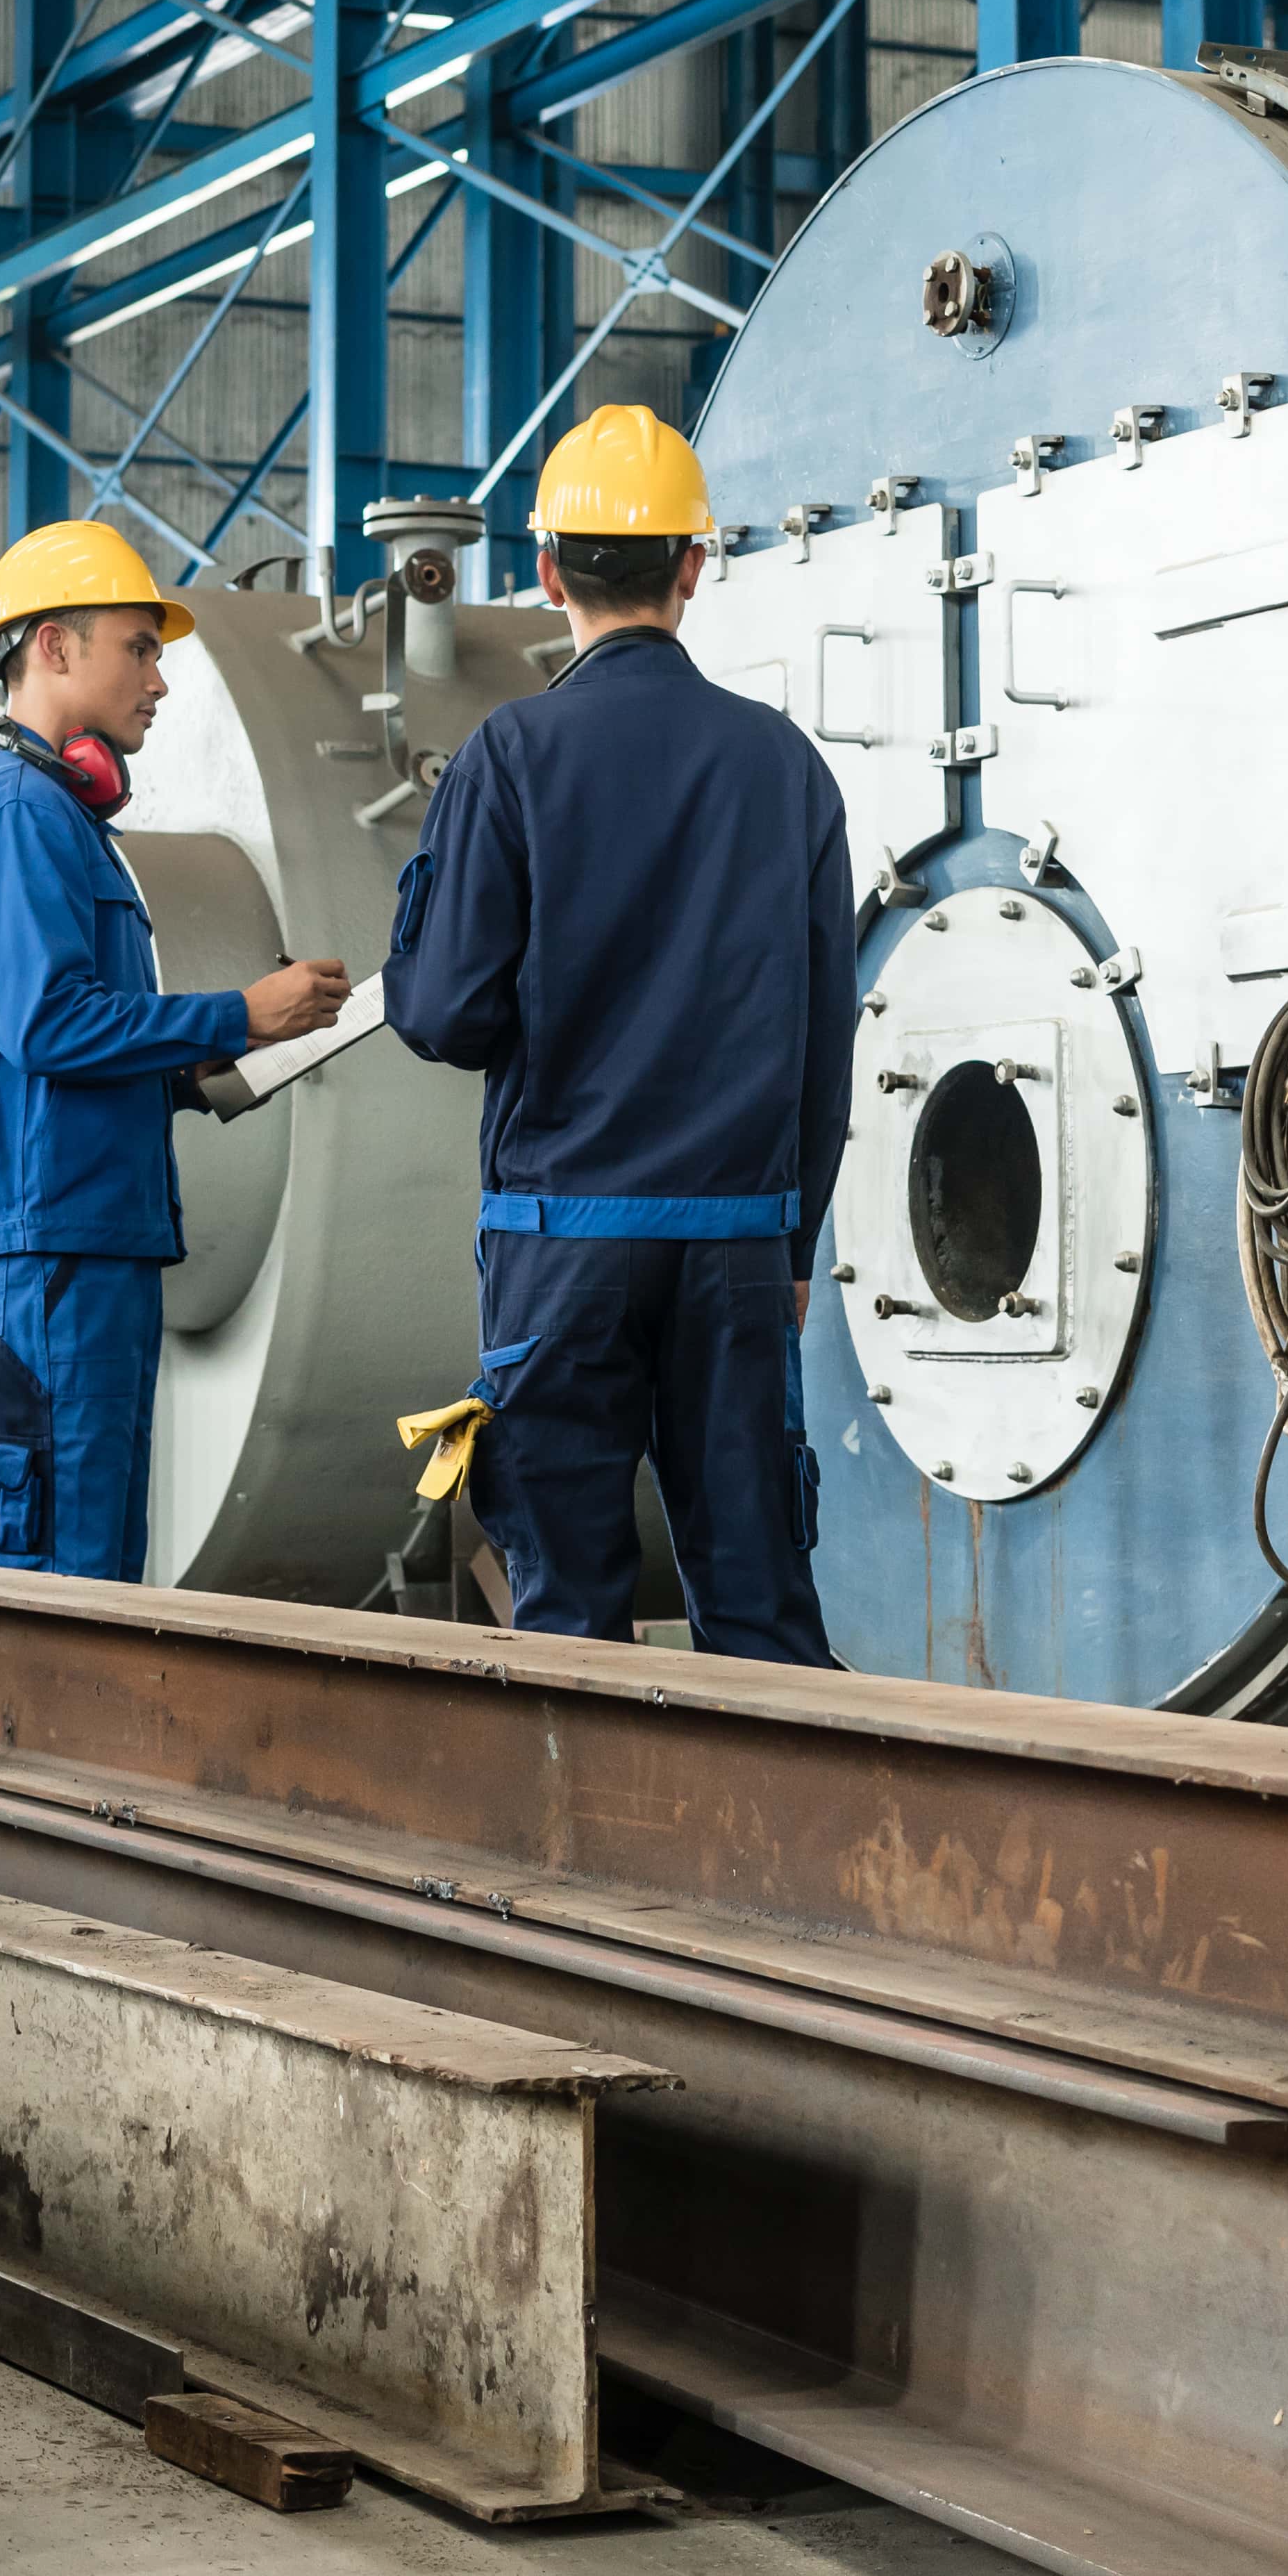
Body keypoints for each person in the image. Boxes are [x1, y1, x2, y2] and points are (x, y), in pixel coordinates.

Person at [381, 406, 853, 1665]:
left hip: (562, 1246)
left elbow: (439, 1011)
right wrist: (791, 1235)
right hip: (739, 1244)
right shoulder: (785, 768)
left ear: (547, 572)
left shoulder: (511, 754)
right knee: (756, 1603)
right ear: (692, 566)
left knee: (570, 1613)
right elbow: (826, 1042)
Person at [0, 521, 349, 1577]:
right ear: (54, 648)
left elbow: (64, 1051)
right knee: (58, 1595)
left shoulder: (62, 822)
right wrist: (234, 1017)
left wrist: (191, 1074)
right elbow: (48, 1025)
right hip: (39, 1260)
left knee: (95, 1577)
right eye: (138, 648)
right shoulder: (18, 817)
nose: (160, 677)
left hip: (78, 1249)